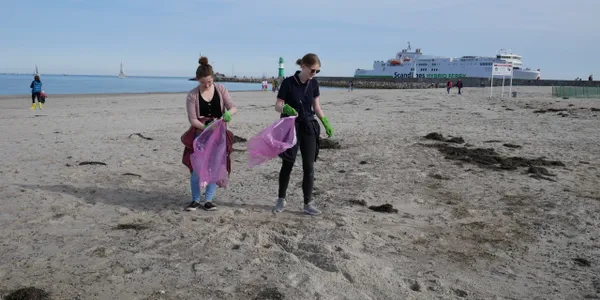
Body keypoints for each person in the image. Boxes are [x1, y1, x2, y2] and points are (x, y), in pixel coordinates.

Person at [272, 53, 334, 216]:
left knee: (309, 166)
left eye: (317, 71)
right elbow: (278, 105)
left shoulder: (314, 84)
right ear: (303, 67)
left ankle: (308, 203)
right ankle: (281, 199)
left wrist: (325, 121)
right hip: (290, 126)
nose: (314, 74)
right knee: (288, 163)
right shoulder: (288, 83)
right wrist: (285, 109)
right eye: (313, 70)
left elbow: (317, 107)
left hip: (308, 126)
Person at [182, 56, 237, 211]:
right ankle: (195, 200)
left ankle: (208, 200)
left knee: (214, 166)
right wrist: (206, 126)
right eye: (203, 82)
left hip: (219, 135)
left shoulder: (221, 89)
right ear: (197, 80)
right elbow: (192, 119)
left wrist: (228, 115)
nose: (206, 85)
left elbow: (233, 107)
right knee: (197, 168)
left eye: (209, 82)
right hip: (200, 135)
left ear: (213, 79)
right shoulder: (192, 95)